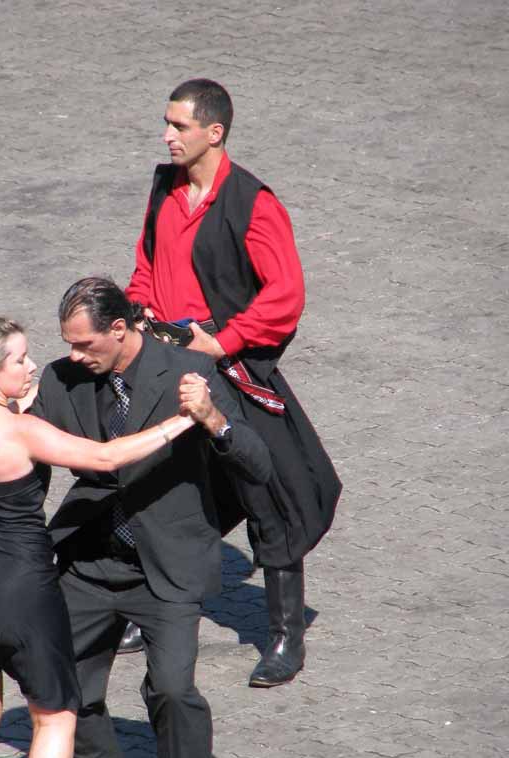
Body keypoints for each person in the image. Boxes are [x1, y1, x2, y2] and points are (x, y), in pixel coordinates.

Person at [0, 277, 273, 758]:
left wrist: (212, 418)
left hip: (164, 570)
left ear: (119, 329)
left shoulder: (191, 370)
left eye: (83, 344)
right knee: (65, 695)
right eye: (65, 345)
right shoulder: (61, 379)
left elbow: (258, 464)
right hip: (86, 563)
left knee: (172, 691)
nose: (71, 356)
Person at [125, 78, 342, 685]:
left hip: (228, 370)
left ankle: (283, 634)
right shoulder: (165, 187)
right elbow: (146, 261)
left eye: (179, 126)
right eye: (166, 124)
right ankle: (152, 609)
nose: (167, 135)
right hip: (163, 361)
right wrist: (141, 311)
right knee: (160, 485)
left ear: (213, 133)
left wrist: (222, 341)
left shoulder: (254, 203)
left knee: (265, 490)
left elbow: (286, 294)